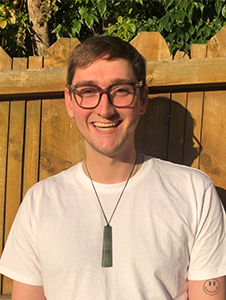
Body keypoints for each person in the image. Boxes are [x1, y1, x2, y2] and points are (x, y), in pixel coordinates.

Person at [0, 36, 226, 300]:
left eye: (120, 90)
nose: (105, 109)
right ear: (70, 102)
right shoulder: (40, 201)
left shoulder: (194, 193)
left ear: (142, 100)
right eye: (88, 91)